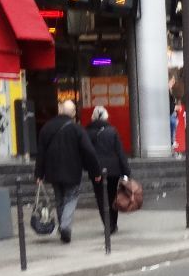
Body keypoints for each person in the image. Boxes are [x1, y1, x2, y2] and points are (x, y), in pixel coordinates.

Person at [35, 100, 100, 244]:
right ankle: (65, 226)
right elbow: (89, 151)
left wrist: (39, 174)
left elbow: (41, 153)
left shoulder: (47, 127)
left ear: (60, 111)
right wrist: (96, 171)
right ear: (73, 113)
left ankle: (63, 227)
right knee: (71, 198)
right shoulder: (77, 129)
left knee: (59, 199)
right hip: (72, 170)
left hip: (52, 172)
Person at [86, 106, 130, 234]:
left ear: (93, 117)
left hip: (96, 170)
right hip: (113, 170)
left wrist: (87, 167)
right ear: (106, 117)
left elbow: (86, 153)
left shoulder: (87, 132)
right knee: (112, 196)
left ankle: (108, 224)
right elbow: (120, 152)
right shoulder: (112, 131)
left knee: (101, 198)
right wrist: (125, 171)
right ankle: (113, 224)